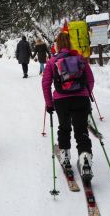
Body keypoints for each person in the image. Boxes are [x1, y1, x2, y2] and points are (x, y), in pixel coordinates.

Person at [42, 32, 95, 183]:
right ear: (71, 43)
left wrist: (49, 103)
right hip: (81, 98)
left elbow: (45, 84)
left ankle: (66, 159)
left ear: (57, 45)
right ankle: (85, 160)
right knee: (81, 130)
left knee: (64, 128)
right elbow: (90, 80)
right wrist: (86, 93)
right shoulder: (80, 59)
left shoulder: (52, 61)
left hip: (61, 101)